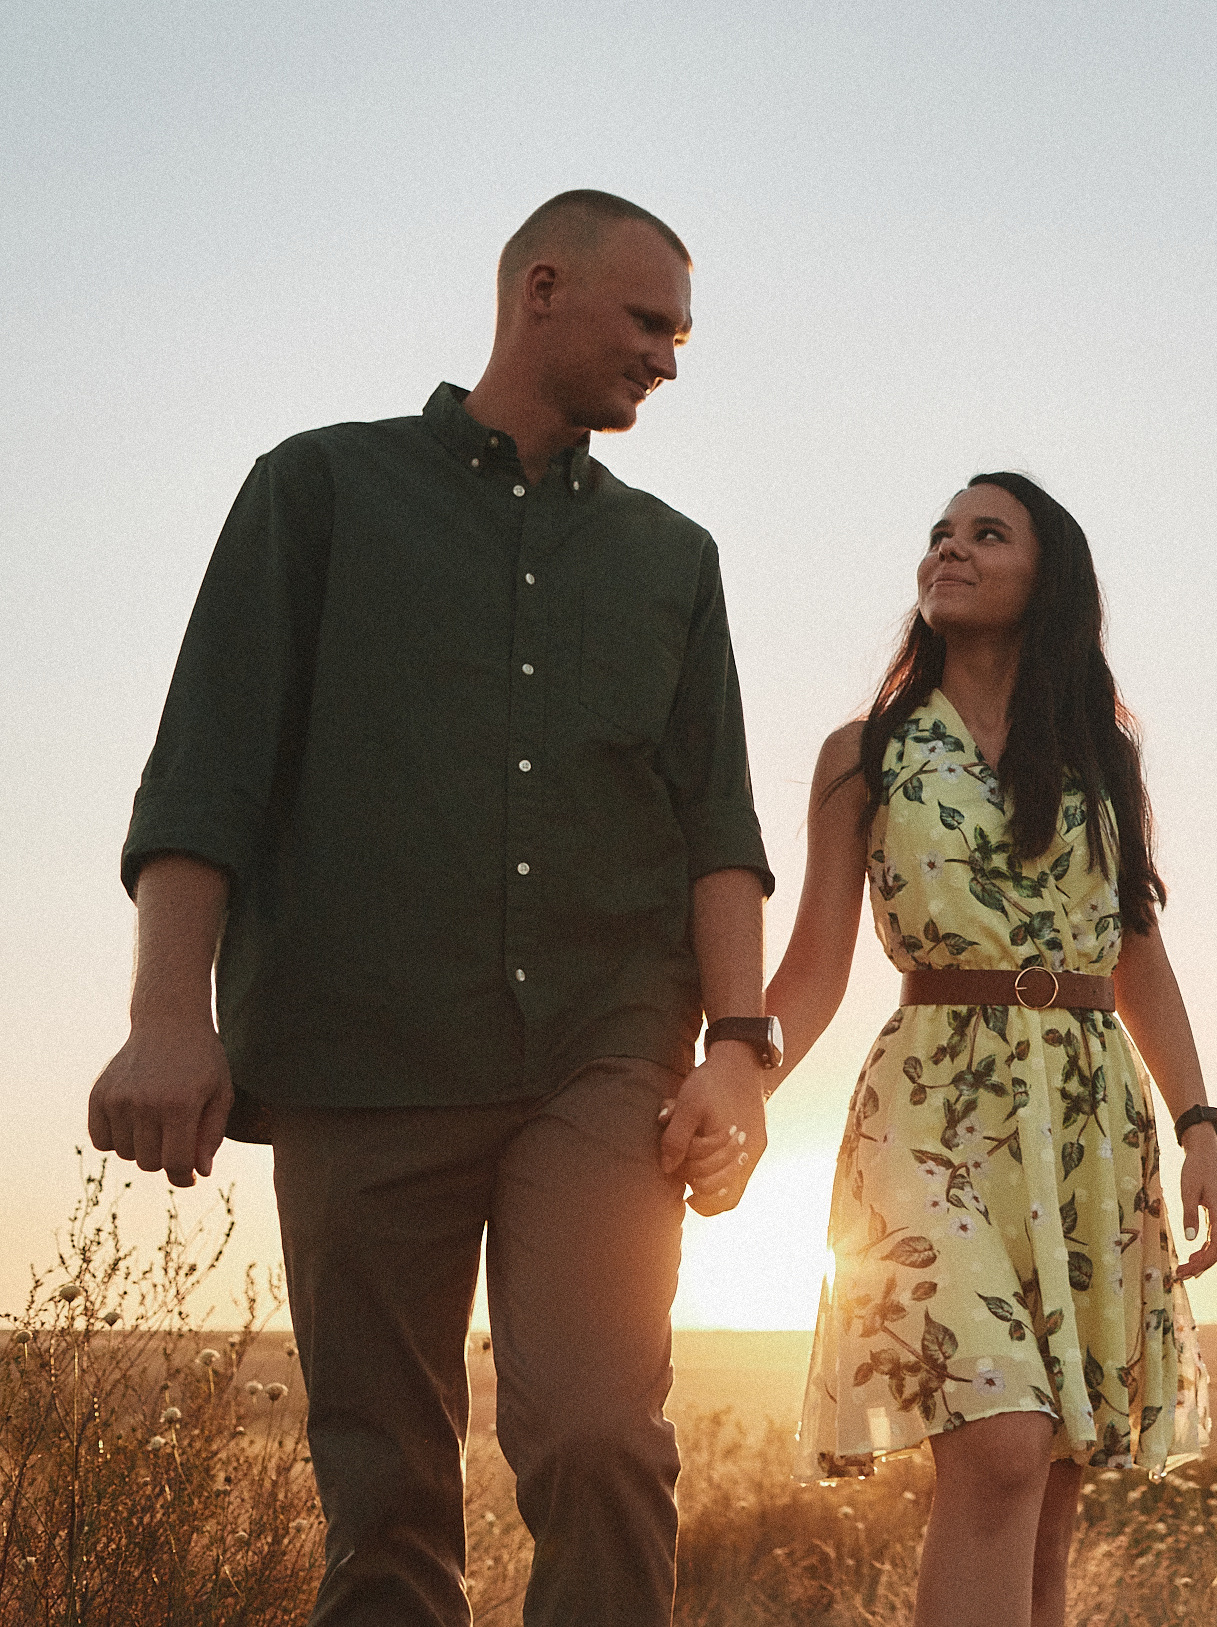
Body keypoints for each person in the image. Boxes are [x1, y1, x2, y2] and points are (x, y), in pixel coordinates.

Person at [89, 189, 780, 1627]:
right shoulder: (318, 490)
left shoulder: (675, 561)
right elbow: (208, 770)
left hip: (600, 1055)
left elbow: (721, 828)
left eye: (683, 333)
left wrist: (736, 1047)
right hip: (358, 1048)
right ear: (542, 287)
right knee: (390, 1496)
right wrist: (169, 1016)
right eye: (649, 322)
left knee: (600, 1431)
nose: (669, 358)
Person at [764, 472, 1217, 1627]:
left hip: (1083, 1119)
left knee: (1051, 1490)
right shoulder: (862, 754)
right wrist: (737, 1077)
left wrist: (1200, 1127)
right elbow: (817, 964)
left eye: (986, 533)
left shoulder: (1097, 758)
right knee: (1003, 1443)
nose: (949, 549)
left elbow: (1142, 961)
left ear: (1047, 578)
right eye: (939, 534)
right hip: (927, 1109)